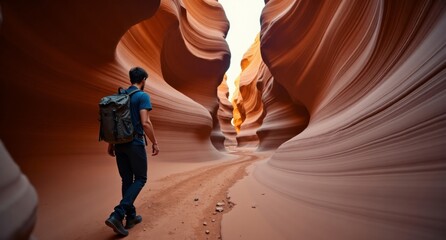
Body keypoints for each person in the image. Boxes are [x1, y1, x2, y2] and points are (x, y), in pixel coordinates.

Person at [105, 67, 160, 236]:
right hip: (134, 143)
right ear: (143, 79)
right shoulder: (142, 96)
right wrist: (155, 142)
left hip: (119, 143)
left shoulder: (119, 97)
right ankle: (118, 214)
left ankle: (131, 217)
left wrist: (111, 143)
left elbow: (112, 122)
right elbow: (145, 123)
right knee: (141, 178)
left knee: (127, 179)